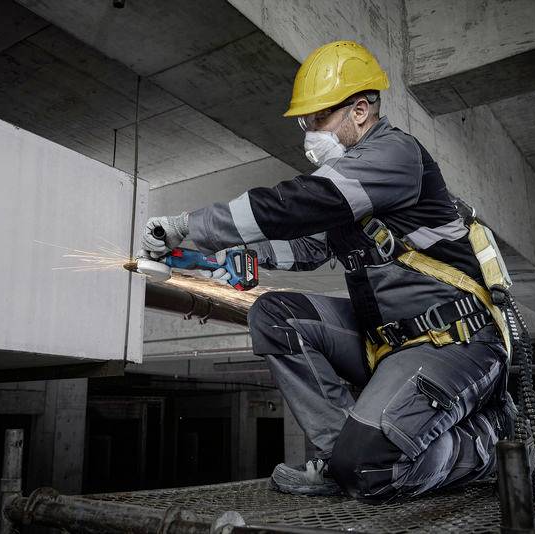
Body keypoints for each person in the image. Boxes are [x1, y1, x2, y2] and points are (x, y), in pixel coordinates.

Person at [140, 40, 514, 501]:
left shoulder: (396, 155)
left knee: (375, 471)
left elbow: (298, 204)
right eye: (305, 121)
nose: (307, 133)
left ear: (359, 111)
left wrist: (188, 227)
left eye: (317, 118)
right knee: (273, 315)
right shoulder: (354, 183)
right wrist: (229, 261)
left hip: (456, 341)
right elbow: (306, 246)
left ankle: (491, 439)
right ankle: (341, 461)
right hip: (386, 341)